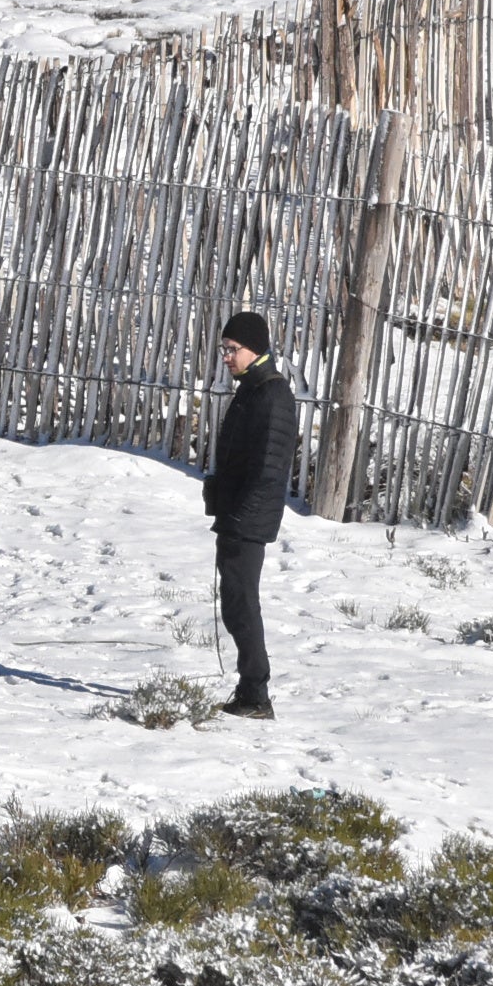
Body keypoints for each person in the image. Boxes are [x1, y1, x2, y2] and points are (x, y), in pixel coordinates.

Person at [204, 309, 298, 720]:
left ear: (254, 349)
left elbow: (270, 467)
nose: (226, 356)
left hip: (248, 519)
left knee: (243, 604)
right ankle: (249, 688)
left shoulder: (272, 394)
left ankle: (256, 694)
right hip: (237, 515)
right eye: (223, 348)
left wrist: (241, 514)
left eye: (232, 349)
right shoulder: (251, 387)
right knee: (234, 603)